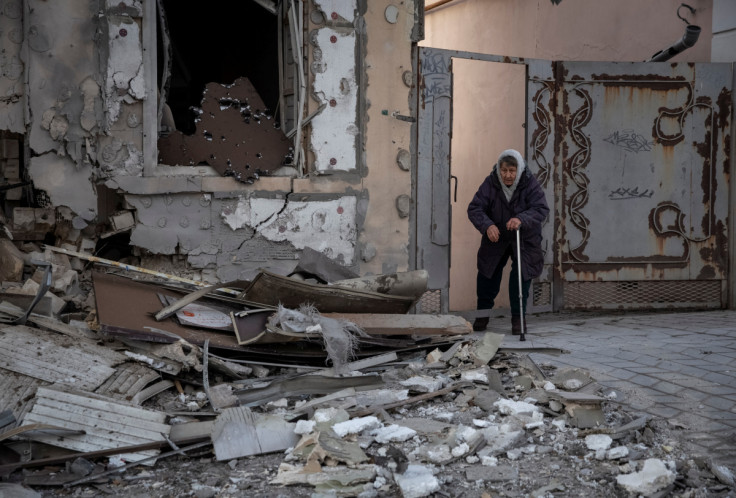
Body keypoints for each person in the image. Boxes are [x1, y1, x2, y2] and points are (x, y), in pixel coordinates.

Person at [467, 149, 549, 334]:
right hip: (497, 235)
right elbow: (475, 208)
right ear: (499, 169)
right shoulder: (491, 182)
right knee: (488, 273)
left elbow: (540, 208)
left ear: (519, 170)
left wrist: (521, 219)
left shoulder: (529, 182)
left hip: (524, 236)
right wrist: (487, 225)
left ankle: (518, 319)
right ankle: (482, 315)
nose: (508, 175)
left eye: (512, 171)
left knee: (520, 275)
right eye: (504, 171)